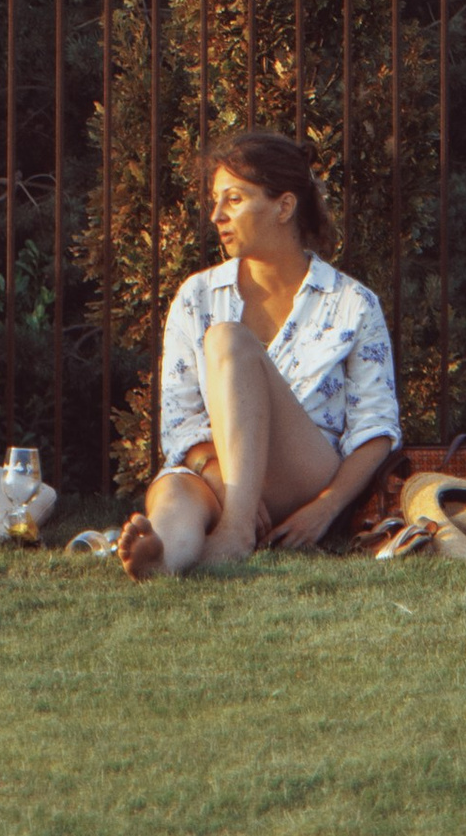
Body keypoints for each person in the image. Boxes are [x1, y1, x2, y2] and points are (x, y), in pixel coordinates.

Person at [118, 129, 399, 577]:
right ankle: (164, 557)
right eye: (215, 200)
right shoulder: (196, 296)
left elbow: (377, 428)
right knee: (174, 492)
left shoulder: (353, 303)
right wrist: (219, 478)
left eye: (234, 199)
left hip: (302, 476)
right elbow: (180, 422)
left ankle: (235, 532)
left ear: (284, 207)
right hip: (219, 471)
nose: (216, 215)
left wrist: (326, 508)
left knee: (227, 340)